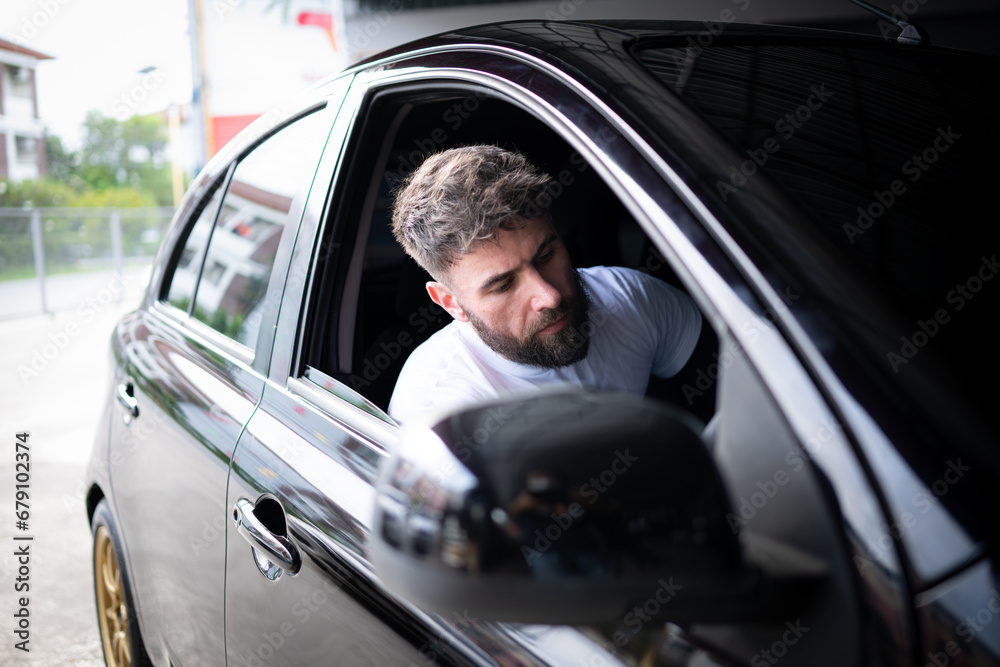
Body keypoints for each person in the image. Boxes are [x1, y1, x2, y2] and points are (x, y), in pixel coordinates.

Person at [387, 145, 702, 424]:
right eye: (503, 285)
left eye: (546, 256)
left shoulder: (628, 297)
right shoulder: (439, 417)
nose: (549, 296)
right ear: (451, 303)